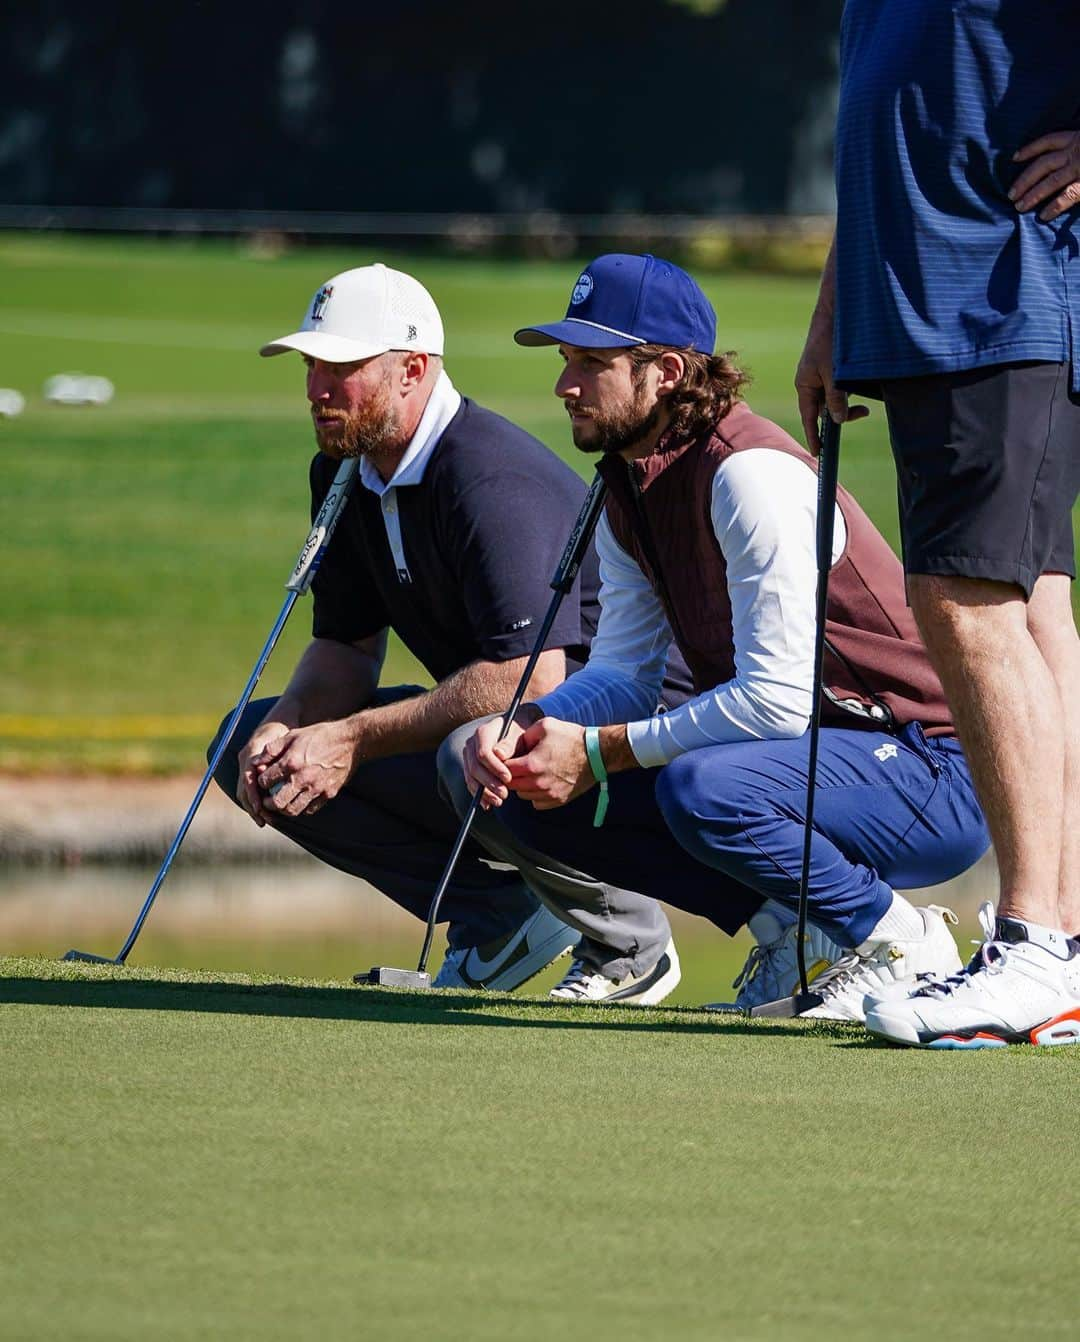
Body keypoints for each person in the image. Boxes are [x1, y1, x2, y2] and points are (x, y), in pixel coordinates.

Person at [439, 252, 990, 1019]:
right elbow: (628, 673)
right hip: (814, 761)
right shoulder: (632, 478)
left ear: (665, 371)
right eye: (566, 361)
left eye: (591, 363)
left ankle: (899, 942)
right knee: (519, 782)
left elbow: (775, 704)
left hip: (935, 768)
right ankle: (800, 932)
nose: (565, 386)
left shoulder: (748, 476)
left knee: (704, 789)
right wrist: (530, 726)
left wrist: (597, 751)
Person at [209, 262, 688, 991]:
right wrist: (299, 723)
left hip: (630, 738)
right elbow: (345, 646)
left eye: (341, 367)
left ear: (411, 369)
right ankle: (503, 917)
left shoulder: (489, 478)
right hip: (508, 732)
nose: (316, 390)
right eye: (311, 365)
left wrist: (350, 739)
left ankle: (629, 942)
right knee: (250, 744)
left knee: (473, 745)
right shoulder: (344, 472)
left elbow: (528, 680)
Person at [795, 1, 1080, 1047]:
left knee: (964, 603)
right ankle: (1065, 949)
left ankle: (1034, 944)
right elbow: (885, 125)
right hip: (923, 305)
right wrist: (836, 312)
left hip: (1003, 293)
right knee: (1033, 607)